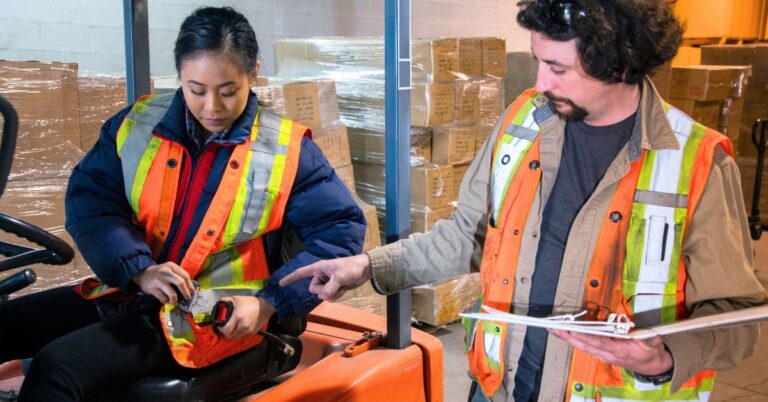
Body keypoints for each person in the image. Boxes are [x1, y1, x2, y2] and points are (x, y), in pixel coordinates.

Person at [281, 1, 768, 401]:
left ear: (619, 64)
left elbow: (738, 316)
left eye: (557, 67)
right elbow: (466, 236)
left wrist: (666, 357)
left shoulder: (698, 163)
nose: (540, 83)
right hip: (499, 388)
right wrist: (367, 266)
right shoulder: (524, 123)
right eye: (538, 59)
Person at [0, 6, 365, 401]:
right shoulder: (136, 125)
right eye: (196, 90)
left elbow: (338, 234)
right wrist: (139, 269)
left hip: (216, 316)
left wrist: (269, 303)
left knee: (58, 369)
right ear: (179, 76)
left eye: (228, 91)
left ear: (254, 73)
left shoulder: (286, 150)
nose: (212, 106)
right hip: (138, 291)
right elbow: (93, 200)